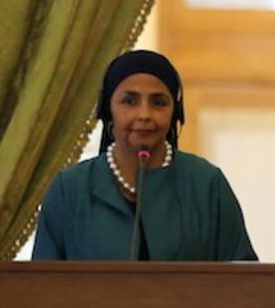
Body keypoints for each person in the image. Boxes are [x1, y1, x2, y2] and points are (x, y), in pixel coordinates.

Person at [32, 49, 257, 261]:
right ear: (107, 110)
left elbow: (246, 282)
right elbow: (40, 287)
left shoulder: (207, 183)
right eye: (129, 101)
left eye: (158, 102)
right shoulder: (70, 188)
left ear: (175, 112)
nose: (144, 114)